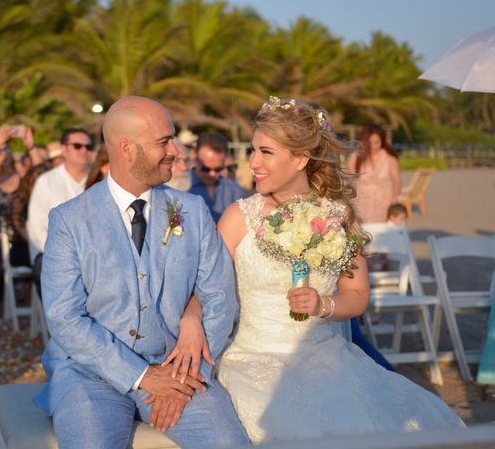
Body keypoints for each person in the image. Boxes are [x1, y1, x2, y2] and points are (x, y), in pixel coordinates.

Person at [168, 98, 464, 444]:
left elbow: (357, 296)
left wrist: (325, 305)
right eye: (253, 150)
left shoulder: (339, 217)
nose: (253, 163)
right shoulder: (239, 217)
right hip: (252, 361)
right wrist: (190, 318)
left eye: (266, 152)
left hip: (327, 358)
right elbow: (204, 286)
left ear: (300, 159)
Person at [34, 96, 248, 448]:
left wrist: (187, 376)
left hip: (179, 369)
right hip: (90, 375)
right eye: (164, 141)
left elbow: (219, 295)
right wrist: (142, 375)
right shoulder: (69, 220)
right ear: (126, 149)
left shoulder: (192, 210)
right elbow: (64, 317)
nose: (176, 151)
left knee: (228, 443)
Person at [0, 124, 42, 317]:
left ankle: (32, 304)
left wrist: (30, 146)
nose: (4, 152)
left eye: (7, 148)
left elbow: (41, 175)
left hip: (21, 235)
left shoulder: (22, 177)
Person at [27, 129, 92, 298]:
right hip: (52, 253)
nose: (84, 150)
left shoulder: (101, 180)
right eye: (78, 146)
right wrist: (68, 255)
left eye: (88, 146)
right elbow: (36, 229)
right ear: (64, 150)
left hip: (93, 253)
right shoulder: (46, 182)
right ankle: (62, 323)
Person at [347, 125, 401, 223]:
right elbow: (349, 181)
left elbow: (396, 180)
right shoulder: (355, 158)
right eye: (369, 143)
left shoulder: (390, 158)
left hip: (385, 202)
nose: (372, 146)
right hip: (361, 203)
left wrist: (394, 199)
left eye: (376, 143)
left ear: (382, 141)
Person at [189, 132, 246, 223]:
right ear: (195, 159)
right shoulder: (181, 187)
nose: (212, 174)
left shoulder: (235, 190)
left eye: (218, 169)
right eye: (205, 169)